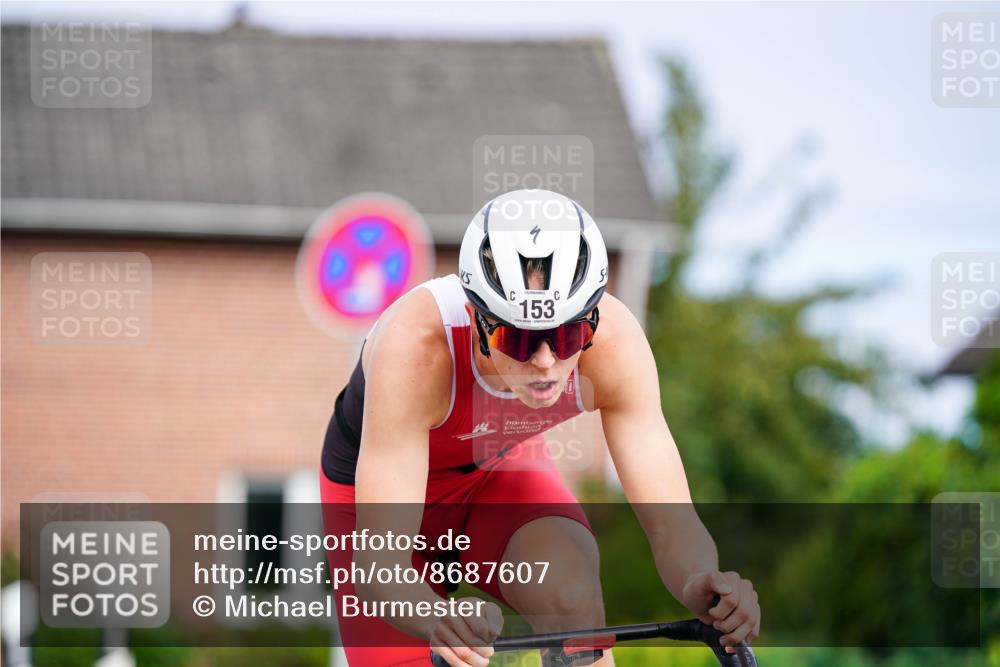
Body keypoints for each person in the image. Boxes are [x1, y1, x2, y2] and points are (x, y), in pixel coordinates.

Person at [320, 189, 760, 666]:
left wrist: (701, 580)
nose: (547, 362)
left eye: (568, 334)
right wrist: (436, 618)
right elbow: (380, 565)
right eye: (519, 339)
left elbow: (671, 522)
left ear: (592, 318)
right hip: (370, 504)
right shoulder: (416, 348)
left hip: (494, 476)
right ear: (478, 320)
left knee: (571, 596)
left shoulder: (613, 346)